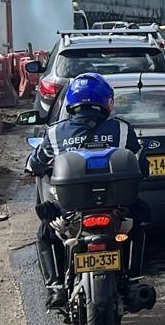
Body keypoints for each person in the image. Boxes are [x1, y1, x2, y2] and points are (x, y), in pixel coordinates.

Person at [25, 73, 143, 308]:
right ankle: (132, 279)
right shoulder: (121, 129)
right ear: (106, 102)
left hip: (71, 211)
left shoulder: (55, 133)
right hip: (115, 209)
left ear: (71, 102)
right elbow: (142, 165)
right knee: (141, 221)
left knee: (45, 233)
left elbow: (34, 164)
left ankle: (56, 287)